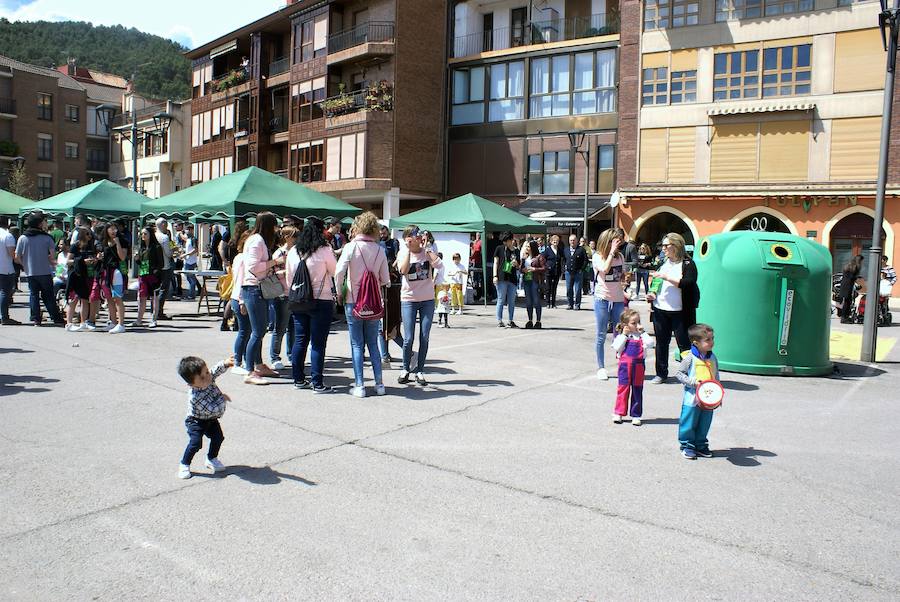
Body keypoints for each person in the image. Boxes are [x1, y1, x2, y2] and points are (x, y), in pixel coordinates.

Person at [335, 212, 391, 398]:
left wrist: (338, 292)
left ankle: (360, 385)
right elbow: (385, 280)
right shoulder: (380, 249)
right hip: (374, 303)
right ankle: (380, 384)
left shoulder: (351, 247)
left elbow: (339, 272)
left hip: (353, 300)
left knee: (357, 344)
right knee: (373, 344)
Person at [287, 216, 336, 393]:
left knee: (300, 340)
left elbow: (290, 278)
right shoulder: (324, 250)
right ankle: (317, 383)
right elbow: (334, 270)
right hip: (321, 300)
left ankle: (298, 379)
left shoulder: (294, 251)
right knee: (318, 343)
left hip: (299, 300)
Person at [647, 233, 700, 384]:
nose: (663, 248)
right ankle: (661, 373)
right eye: (662, 245)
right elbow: (656, 282)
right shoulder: (663, 263)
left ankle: (689, 373)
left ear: (676, 246)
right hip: (660, 309)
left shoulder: (688, 264)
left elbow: (688, 283)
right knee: (661, 343)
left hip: (681, 312)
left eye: (666, 245)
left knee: (684, 345)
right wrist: (651, 293)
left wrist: (666, 277)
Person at [241, 212, 283, 385]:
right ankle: (249, 371)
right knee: (257, 332)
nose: (277, 228)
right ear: (268, 225)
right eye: (275, 225)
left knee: (259, 331)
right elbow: (252, 267)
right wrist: (275, 262)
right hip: (254, 289)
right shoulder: (257, 241)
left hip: (255, 289)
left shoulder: (256, 239)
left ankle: (258, 365)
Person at [397, 224, 442, 385]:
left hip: (427, 299)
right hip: (409, 299)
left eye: (419, 235)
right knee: (408, 338)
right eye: (415, 235)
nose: (418, 237)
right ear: (408, 238)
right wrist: (409, 250)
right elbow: (402, 270)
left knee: (424, 337)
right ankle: (405, 369)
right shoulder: (403, 252)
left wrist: (427, 248)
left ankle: (420, 370)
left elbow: (439, 265)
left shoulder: (427, 252)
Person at [177, 355, 234, 479]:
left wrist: (225, 363)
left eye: (207, 372)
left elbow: (215, 370)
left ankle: (211, 458)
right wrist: (222, 398)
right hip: (196, 421)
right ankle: (184, 464)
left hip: (210, 419)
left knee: (218, 437)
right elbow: (212, 410)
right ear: (191, 384)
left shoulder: (208, 378)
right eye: (202, 377)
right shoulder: (195, 397)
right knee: (196, 443)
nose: (208, 377)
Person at [675, 323, 718, 460]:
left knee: (705, 422)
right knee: (689, 421)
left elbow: (716, 375)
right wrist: (693, 382)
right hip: (692, 398)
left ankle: (700, 444)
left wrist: (718, 391)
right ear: (696, 343)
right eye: (708, 340)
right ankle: (687, 445)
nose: (712, 342)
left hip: (708, 398)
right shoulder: (689, 358)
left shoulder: (712, 357)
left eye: (712, 339)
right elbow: (679, 374)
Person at [14, 211, 64, 326]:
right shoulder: (47, 238)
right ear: (40, 224)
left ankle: (36, 318)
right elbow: (52, 258)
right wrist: (59, 268)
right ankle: (56, 317)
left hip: (30, 272)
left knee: (33, 295)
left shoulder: (23, 238)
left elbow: (17, 257)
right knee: (48, 296)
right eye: (44, 221)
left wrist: (25, 265)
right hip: (45, 271)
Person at [593, 228, 627, 381]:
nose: (618, 244)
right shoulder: (597, 256)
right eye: (615, 241)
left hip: (618, 299)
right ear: (608, 241)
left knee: (620, 334)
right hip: (602, 299)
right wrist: (612, 252)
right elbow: (605, 269)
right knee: (601, 335)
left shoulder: (620, 256)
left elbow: (622, 275)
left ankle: (622, 364)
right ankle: (601, 367)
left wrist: (626, 280)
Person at [611, 308, 655, 426]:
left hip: (639, 367)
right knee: (623, 389)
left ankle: (636, 415)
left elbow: (651, 343)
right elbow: (616, 347)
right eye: (633, 323)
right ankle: (619, 413)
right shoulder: (623, 336)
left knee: (637, 390)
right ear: (625, 324)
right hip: (625, 367)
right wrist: (624, 335)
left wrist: (643, 332)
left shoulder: (641, 336)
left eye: (638, 322)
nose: (637, 325)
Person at [268, 226, 296, 371]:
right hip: (281, 294)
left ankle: (291, 355)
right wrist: (288, 271)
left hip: (294, 293)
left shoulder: (297, 252)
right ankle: (274, 357)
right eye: (294, 235)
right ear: (286, 237)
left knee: (293, 327)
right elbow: (273, 272)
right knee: (280, 327)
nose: (297, 238)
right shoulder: (279, 253)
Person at [96, 222, 128, 333]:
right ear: (107, 230)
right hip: (106, 272)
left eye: (115, 228)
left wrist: (117, 243)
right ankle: (113, 322)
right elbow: (101, 256)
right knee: (108, 298)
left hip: (117, 272)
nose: (113, 231)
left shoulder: (122, 240)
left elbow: (122, 257)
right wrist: (99, 257)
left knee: (117, 298)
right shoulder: (103, 242)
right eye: (111, 229)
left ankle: (121, 324)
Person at [64, 227, 97, 331]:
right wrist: (81, 261)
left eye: (90, 234)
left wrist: (94, 260)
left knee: (85, 300)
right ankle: (68, 323)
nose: (90, 236)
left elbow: (94, 260)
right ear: (82, 235)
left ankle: (83, 322)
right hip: (75, 275)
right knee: (73, 299)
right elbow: (68, 261)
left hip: (86, 275)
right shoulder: (75, 245)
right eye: (87, 234)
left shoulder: (92, 246)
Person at [229, 232, 252, 376]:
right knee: (244, 332)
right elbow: (243, 280)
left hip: (236, 297)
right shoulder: (244, 258)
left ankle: (242, 360)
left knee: (245, 332)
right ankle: (237, 361)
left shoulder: (238, 257)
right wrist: (243, 300)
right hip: (240, 297)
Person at [132, 226, 164, 328]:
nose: (143, 236)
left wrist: (155, 272)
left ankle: (154, 319)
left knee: (154, 298)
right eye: (142, 234)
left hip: (153, 275)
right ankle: (139, 320)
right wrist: (136, 259)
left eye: (145, 234)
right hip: (143, 274)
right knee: (141, 297)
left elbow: (161, 263)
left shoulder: (156, 247)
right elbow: (140, 262)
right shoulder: (141, 248)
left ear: (150, 235)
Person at [493, 231, 519, 328]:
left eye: (507, 240)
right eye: (504, 241)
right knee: (501, 299)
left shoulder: (516, 251)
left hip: (512, 278)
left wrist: (516, 264)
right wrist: (494, 276)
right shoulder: (499, 248)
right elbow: (496, 262)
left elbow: (518, 266)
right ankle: (499, 320)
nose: (505, 243)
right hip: (501, 277)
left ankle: (510, 320)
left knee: (511, 301)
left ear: (511, 240)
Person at [521, 240, 545, 329]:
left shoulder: (539, 257)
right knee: (528, 302)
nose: (526, 248)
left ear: (532, 247)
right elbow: (521, 269)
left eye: (528, 246)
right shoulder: (525, 257)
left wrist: (534, 269)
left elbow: (544, 268)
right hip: (527, 281)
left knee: (536, 301)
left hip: (535, 281)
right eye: (526, 246)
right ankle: (530, 320)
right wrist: (522, 269)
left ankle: (538, 321)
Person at [154, 218, 175, 320]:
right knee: (163, 289)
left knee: (155, 290)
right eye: (166, 225)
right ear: (163, 225)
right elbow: (169, 253)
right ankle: (159, 312)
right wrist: (173, 247)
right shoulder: (165, 237)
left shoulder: (152, 235)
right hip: (165, 265)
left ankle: (154, 310)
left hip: (154, 267)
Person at [0, 216, 19, 325]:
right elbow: (12, 254)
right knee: (4, 293)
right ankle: (4, 317)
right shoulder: (8, 236)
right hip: (5, 268)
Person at [836, 254, 865, 324]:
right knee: (847, 302)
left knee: (846, 301)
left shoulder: (849, 265)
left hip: (844, 284)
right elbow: (852, 277)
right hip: (848, 285)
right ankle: (844, 317)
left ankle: (845, 316)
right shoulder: (855, 267)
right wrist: (857, 277)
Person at [562, 234, 587, 310]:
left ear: (577, 241)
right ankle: (570, 304)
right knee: (569, 289)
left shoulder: (581, 249)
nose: (572, 242)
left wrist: (582, 269)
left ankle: (577, 305)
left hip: (578, 272)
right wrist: (564, 268)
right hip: (568, 273)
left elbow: (585, 260)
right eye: (571, 240)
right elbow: (563, 260)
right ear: (569, 241)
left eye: (574, 240)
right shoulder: (566, 249)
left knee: (578, 290)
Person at [541, 234, 562, 309]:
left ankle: (553, 303)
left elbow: (561, 259)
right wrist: (546, 266)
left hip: (557, 271)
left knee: (554, 288)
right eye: (554, 241)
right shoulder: (547, 250)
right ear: (551, 242)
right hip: (549, 271)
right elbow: (542, 259)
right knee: (548, 288)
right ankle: (547, 303)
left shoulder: (559, 250)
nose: (555, 242)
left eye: (557, 241)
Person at [181, 223, 200, 300]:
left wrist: (186, 254)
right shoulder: (188, 239)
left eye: (188, 229)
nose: (187, 231)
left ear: (192, 230)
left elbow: (196, 250)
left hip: (191, 262)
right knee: (190, 277)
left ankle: (191, 295)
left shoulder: (193, 239)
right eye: (186, 229)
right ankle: (199, 289)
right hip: (188, 261)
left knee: (190, 279)